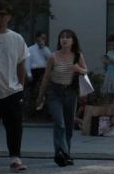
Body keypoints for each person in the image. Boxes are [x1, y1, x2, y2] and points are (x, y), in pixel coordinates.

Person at [0, 1, 29, 172]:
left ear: (9, 17)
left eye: (3, 14)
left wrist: (21, 87)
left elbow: (21, 64)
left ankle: (15, 158)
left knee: (15, 127)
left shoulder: (16, 38)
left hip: (12, 90)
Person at [36, 30, 89, 166]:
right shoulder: (53, 57)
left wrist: (77, 69)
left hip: (70, 92)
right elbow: (47, 76)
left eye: (68, 38)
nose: (64, 40)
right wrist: (40, 96)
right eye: (62, 37)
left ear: (73, 41)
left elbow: (86, 72)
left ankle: (66, 154)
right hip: (55, 93)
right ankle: (60, 153)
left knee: (69, 126)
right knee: (60, 123)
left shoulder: (77, 56)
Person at [26, 32, 52, 111]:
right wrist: (29, 74)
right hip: (34, 71)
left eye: (45, 38)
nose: (44, 40)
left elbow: (50, 58)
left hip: (44, 71)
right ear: (37, 39)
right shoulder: (30, 49)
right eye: (42, 38)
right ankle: (33, 108)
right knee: (33, 90)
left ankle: (42, 108)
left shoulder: (46, 49)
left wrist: (43, 48)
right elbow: (27, 62)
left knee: (43, 89)